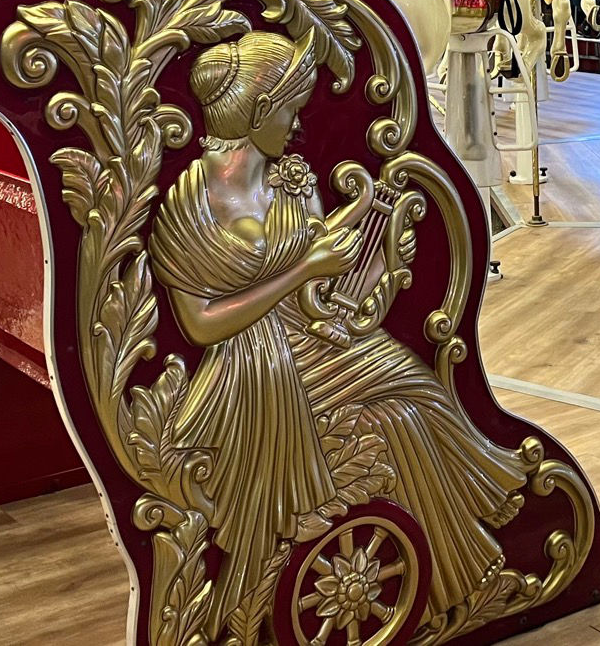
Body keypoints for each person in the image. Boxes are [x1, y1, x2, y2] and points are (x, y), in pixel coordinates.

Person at [153, 31, 526, 622]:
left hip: (301, 343)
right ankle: (457, 574)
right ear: (253, 112)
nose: (298, 126)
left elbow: (320, 301)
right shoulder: (188, 203)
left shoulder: (288, 182)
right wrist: (304, 265)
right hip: (248, 370)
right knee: (406, 405)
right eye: (288, 109)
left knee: (414, 389)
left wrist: (380, 261)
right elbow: (200, 326)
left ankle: (460, 574)